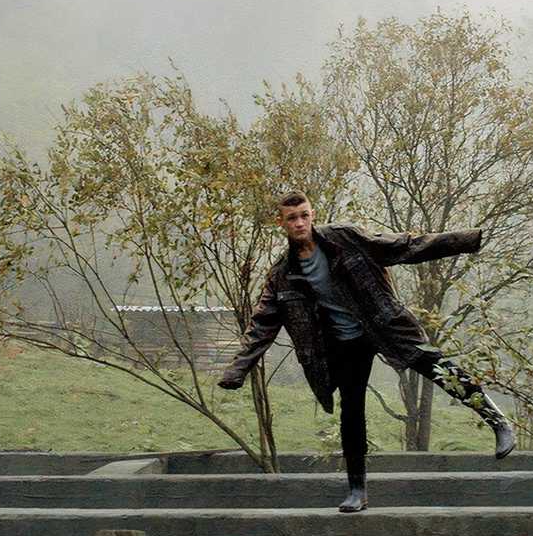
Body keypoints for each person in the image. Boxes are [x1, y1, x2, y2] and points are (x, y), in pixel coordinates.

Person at [218, 190, 515, 512]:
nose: (300, 223)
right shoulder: (282, 275)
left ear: (312, 215)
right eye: (292, 218)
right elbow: (262, 324)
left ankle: (497, 421)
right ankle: (357, 490)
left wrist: (467, 240)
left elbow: (405, 246)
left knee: (436, 366)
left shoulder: (345, 237)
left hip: (382, 322)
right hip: (344, 343)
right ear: (282, 223)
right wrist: (237, 370)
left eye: (304, 215)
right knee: (351, 412)